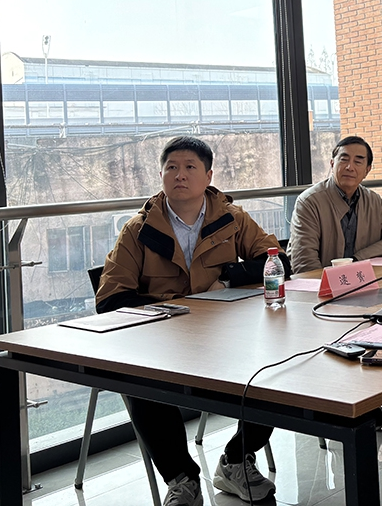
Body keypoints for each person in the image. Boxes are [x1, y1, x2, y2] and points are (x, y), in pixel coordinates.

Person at [96, 136, 287, 506]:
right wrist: (175, 307)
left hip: (227, 333)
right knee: (137, 377)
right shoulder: (138, 229)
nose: (179, 175)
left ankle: (236, 460)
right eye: (171, 167)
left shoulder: (231, 219)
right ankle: (181, 479)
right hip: (163, 341)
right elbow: (110, 300)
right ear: (161, 176)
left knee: (281, 363)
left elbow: (277, 261)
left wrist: (228, 278)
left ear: (208, 176)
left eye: (189, 167)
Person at [288, 136, 382, 274]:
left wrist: (358, 259)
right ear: (332, 164)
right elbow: (304, 264)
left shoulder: (373, 200)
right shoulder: (309, 202)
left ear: (367, 170)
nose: (350, 167)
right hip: (320, 284)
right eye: (344, 159)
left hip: (362, 278)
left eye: (358, 162)